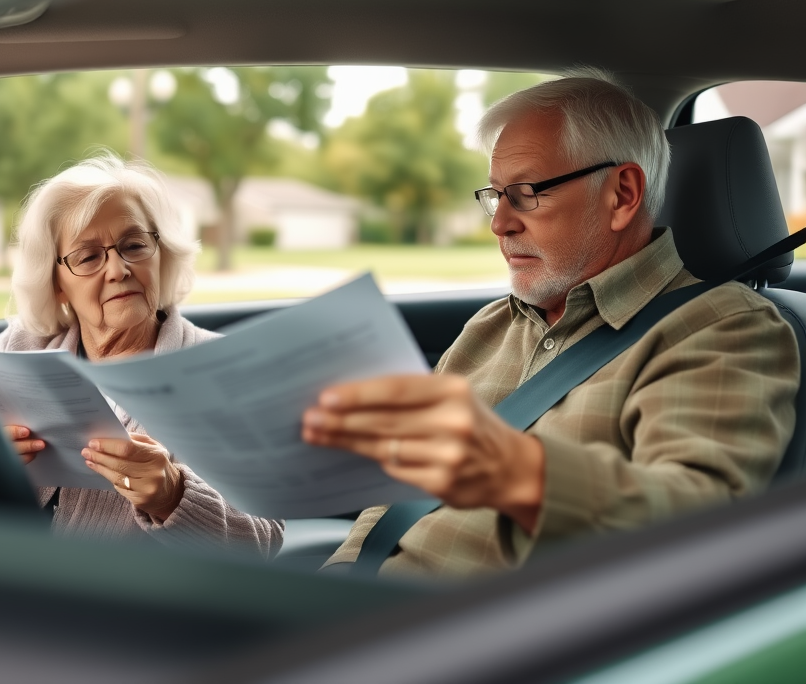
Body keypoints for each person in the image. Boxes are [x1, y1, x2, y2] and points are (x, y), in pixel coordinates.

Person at [303, 69, 799, 579]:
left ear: (623, 194)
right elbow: (390, 502)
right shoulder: (493, 324)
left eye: (525, 192)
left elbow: (697, 525)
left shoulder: (723, 328)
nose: (500, 223)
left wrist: (521, 474)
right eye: (496, 196)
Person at [0, 153, 282, 558]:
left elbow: (264, 537)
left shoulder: (217, 368)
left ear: (162, 253)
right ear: (57, 283)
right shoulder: (28, 343)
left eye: (134, 246)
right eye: (88, 256)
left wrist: (172, 494)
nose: (118, 270)